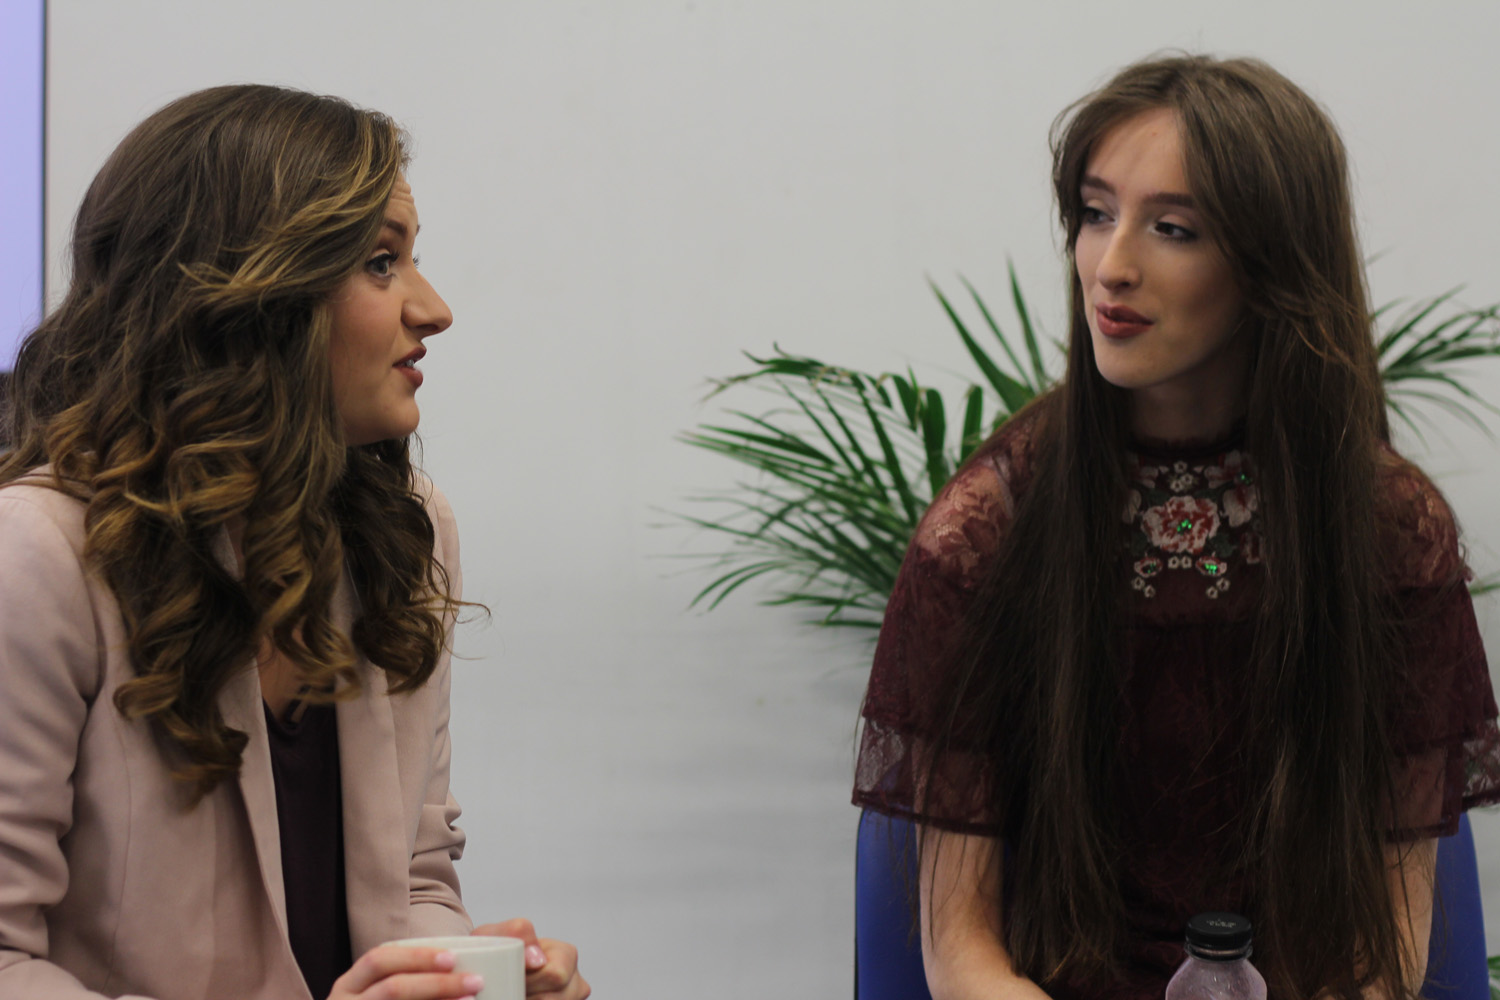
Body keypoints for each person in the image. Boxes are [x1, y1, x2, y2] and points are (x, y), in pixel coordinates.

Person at [853, 54, 1500, 1000]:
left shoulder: (1386, 533)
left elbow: (1389, 951)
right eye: (1094, 212)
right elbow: (959, 956)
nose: (1112, 266)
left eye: (1172, 229)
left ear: (1274, 262)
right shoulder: (988, 533)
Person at [0, 85, 588, 1000]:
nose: (434, 310)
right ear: (250, 295)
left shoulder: (407, 531)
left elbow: (418, 879)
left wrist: (465, 977)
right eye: (381, 264)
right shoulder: (34, 556)